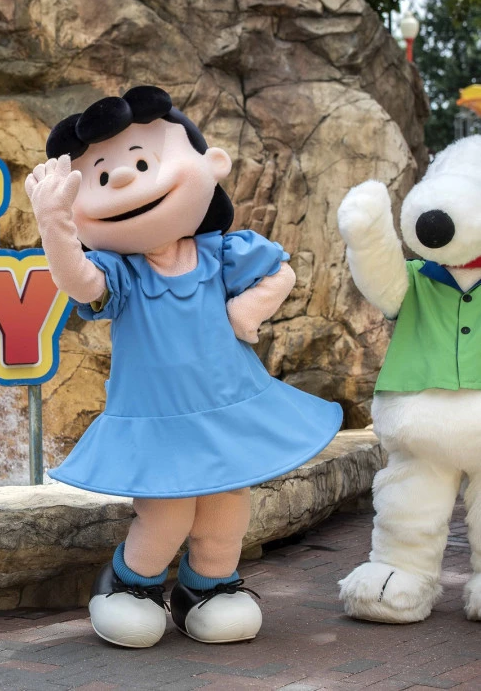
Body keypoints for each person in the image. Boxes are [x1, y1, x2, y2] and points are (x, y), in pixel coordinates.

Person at [26, 85, 343, 647]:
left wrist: (247, 311)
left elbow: (281, 273)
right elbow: (80, 282)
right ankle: (130, 584)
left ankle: (208, 587)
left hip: (227, 406)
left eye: (143, 162)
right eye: (101, 176)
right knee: (168, 511)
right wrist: (55, 227)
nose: (123, 179)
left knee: (227, 505)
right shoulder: (122, 273)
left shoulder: (220, 253)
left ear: (209, 164)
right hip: (158, 417)